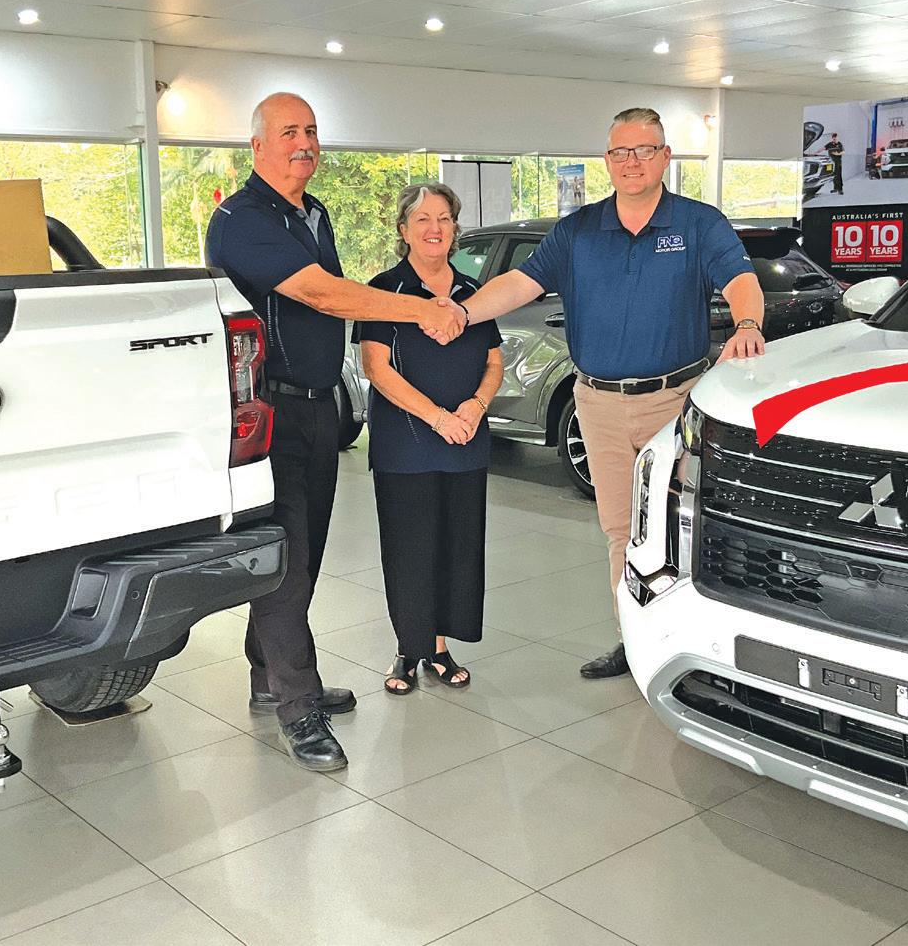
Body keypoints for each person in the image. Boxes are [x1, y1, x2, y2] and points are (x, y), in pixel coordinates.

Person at [205, 92, 467, 771]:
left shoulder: (312, 212)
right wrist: (420, 310)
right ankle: (299, 709)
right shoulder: (241, 219)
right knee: (286, 562)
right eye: (289, 132)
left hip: (320, 407)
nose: (305, 143)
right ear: (257, 146)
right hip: (269, 413)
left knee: (305, 552)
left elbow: (328, 301)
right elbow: (321, 292)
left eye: (312, 131)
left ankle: (269, 677)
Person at [457, 107, 765, 679]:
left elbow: (741, 280)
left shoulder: (697, 223)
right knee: (620, 531)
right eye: (621, 152)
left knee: (682, 526)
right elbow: (520, 283)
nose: (632, 162)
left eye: (644, 150)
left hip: (674, 402)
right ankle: (635, 639)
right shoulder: (578, 231)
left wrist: (747, 323)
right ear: (607, 160)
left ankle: (694, 646)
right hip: (597, 404)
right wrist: (461, 312)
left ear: (665, 157)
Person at [356, 183, 502, 695]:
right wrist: (439, 418)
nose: (434, 228)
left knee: (457, 547)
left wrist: (475, 406)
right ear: (403, 230)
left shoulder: (473, 293)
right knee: (409, 548)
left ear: (455, 228)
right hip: (406, 445)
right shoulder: (384, 290)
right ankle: (408, 648)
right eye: (422, 219)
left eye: (443, 218)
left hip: (466, 440)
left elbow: (493, 362)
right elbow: (376, 368)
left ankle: (438, 647)